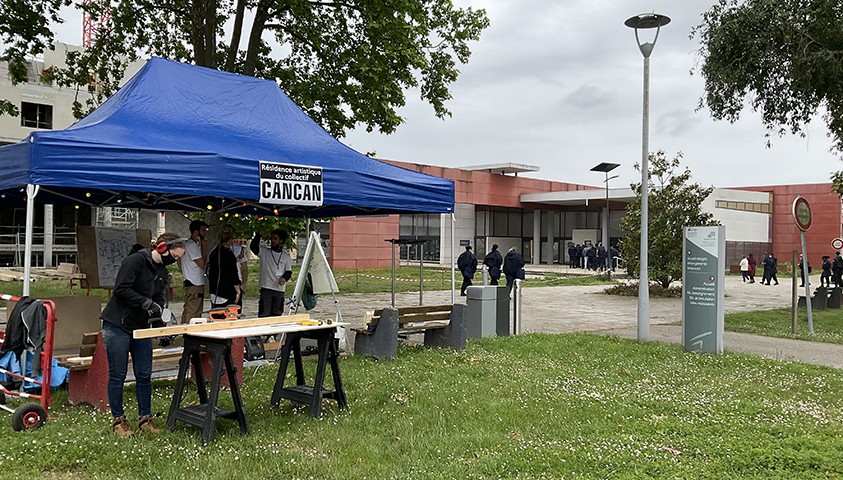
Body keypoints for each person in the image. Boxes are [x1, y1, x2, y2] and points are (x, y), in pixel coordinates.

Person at [101, 233, 184, 437]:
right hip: (117, 324)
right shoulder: (136, 260)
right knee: (118, 374)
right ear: (163, 248)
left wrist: (159, 313)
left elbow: (159, 298)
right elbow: (121, 289)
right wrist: (144, 303)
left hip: (141, 327)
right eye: (174, 257)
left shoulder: (163, 273)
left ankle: (145, 418)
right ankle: (118, 420)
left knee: (145, 374)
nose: (175, 261)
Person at [250, 229, 293, 317]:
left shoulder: (286, 257)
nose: (272, 241)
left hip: (279, 290)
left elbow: (288, 272)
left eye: (275, 238)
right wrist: (258, 235)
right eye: (271, 239)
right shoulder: (265, 252)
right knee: (264, 314)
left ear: (281, 241)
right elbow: (253, 247)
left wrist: (284, 278)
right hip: (266, 288)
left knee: (277, 314)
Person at [179, 220, 208, 323]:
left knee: (188, 308)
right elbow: (202, 264)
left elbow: (179, 261)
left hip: (189, 279)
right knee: (194, 310)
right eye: (204, 230)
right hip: (195, 282)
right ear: (196, 232)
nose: (206, 233)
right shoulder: (192, 246)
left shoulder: (186, 244)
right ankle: (189, 333)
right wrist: (204, 248)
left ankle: (183, 330)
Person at [207, 226, 242, 308]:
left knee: (216, 313)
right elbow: (233, 273)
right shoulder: (229, 255)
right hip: (226, 290)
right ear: (229, 241)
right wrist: (238, 290)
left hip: (214, 289)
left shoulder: (214, 253)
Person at [223, 224, 248, 306]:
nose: (228, 234)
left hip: (236, 281)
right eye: (226, 232)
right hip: (223, 282)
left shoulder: (239, 248)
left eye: (230, 232)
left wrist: (243, 284)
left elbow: (244, 267)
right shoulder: (217, 249)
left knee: (236, 308)